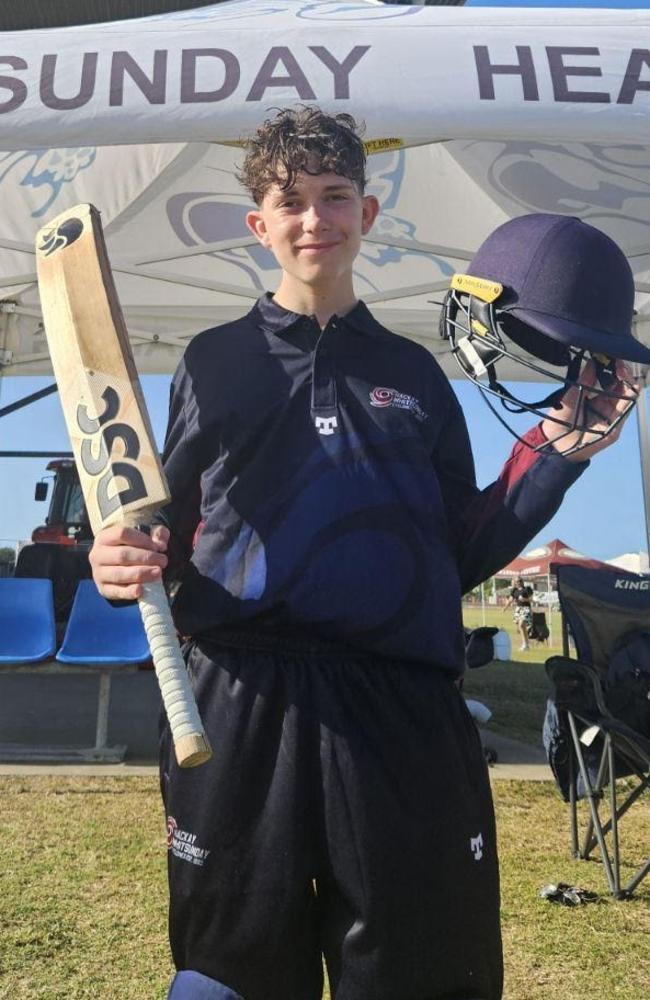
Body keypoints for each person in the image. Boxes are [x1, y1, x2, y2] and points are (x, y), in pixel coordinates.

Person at [88, 107, 639, 1000]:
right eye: (291, 201)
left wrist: (557, 452)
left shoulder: (418, 377)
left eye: (335, 196)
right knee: (234, 967)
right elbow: (163, 529)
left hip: (398, 706)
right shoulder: (214, 360)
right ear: (259, 225)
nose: (316, 219)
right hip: (241, 695)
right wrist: (117, 562)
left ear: (368, 216)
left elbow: (458, 547)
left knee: (418, 960)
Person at [503, 576, 534, 651]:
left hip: (526, 609)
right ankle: (526, 644)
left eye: (520, 581)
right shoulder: (514, 590)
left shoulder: (527, 589)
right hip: (518, 609)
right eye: (517, 581)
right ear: (515, 583)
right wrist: (505, 608)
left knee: (521, 624)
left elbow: (532, 599)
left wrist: (524, 599)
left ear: (522, 582)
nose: (519, 583)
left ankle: (525, 644)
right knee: (521, 627)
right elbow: (510, 600)